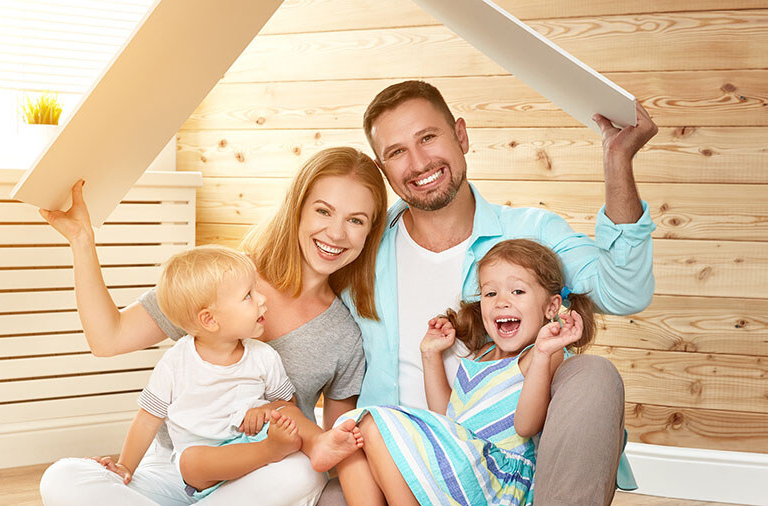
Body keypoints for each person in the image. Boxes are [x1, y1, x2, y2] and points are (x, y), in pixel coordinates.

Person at [337, 80, 657, 504]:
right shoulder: (361, 246)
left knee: (594, 375)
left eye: (428, 137)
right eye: (397, 152)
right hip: (395, 463)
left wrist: (618, 162)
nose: (418, 162)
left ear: (462, 136)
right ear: (384, 168)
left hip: (503, 467)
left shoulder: (529, 233)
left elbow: (625, 293)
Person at [39, 147, 388, 506]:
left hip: (261, 473)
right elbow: (108, 338)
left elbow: (331, 440)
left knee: (303, 471)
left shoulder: (343, 333)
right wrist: (82, 241)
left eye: (356, 220)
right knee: (63, 478)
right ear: (297, 210)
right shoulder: (221, 278)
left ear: (370, 231)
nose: (336, 233)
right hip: (176, 468)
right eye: (323, 211)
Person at [332, 239, 597, 505]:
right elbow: (449, 417)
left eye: (517, 291)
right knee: (353, 431)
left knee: (372, 422)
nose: (501, 302)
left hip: (496, 478)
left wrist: (541, 353)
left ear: (551, 307)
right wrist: (430, 354)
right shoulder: (481, 354)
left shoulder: (542, 355)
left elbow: (526, 425)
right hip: (464, 465)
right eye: (490, 293)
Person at [99, 245, 308, 500]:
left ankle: (322, 444)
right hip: (205, 466)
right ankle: (270, 450)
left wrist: (265, 410)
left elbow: (287, 403)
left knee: (292, 415)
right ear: (209, 320)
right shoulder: (176, 362)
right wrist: (125, 467)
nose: (262, 299)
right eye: (248, 295)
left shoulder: (263, 355)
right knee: (191, 460)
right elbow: (147, 419)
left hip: (247, 448)